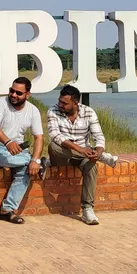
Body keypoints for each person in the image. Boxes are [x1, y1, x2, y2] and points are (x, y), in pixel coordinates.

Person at [47, 84, 119, 225]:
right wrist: (81, 150)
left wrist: (98, 151)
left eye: (64, 103)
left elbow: (98, 136)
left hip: (81, 157)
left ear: (75, 103)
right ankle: (103, 158)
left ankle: (87, 209)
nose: (60, 105)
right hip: (62, 156)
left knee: (91, 165)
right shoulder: (53, 111)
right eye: (60, 101)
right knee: (53, 146)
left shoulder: (88, 112)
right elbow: (55, 135)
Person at [0, 76, 46, 224]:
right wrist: (8, 142)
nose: (13, 95)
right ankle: (36, 163)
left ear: (27, 95)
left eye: (19, 93)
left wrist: (35, 159)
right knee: (9, 159)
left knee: (26, 170)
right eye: (12, 91)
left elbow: (39, 137)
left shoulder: (33, 110)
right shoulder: (1, 103)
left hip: (18, 151)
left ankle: (7, 210)